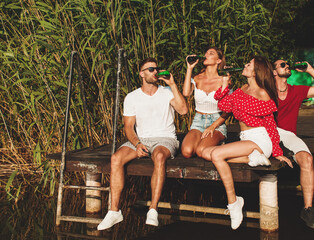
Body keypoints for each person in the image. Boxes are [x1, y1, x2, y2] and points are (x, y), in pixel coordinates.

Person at [202, 56, 293, 230]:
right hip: (246, 140)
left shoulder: (263, 93)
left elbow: (271, 125)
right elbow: (224, 106)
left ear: (256, 71)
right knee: (206, 153)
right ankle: (251, 158)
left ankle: (234, 202)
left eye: (249, 64)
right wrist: (224, 85)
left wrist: (277, 152)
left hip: (260, 140)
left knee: (216, 154)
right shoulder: (241, 89)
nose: (244, 65)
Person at [97, 58, 188, 230]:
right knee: (116, 158)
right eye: (151, 69)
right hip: (142, 139)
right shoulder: (132, 97)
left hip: (165, 138)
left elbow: (183, 110)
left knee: (159, 156)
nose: (155, 72)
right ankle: (114, 211)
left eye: (156, 69)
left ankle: (153, 209)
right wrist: (137, 143)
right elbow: (129, 127)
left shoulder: (167, 91)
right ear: (142, 74)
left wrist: (173, 84)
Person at [273, 60, 314, 229]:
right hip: (268, 133)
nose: (286, 65)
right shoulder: (267, 90)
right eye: (282, 64)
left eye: (287, 64)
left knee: (307, 158)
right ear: (274, 72)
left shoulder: (296, 91)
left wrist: (310, 70)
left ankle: (307, 209)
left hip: (289, 135)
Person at [181, 47, 229, 159]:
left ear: (219, 61)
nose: (206, 55)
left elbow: (227, 110)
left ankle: (220, 145)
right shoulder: (197, 78)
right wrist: (189, 69)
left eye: (211, 53)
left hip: (217, 121)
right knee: (186, 152)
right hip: (198, 120)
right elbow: (186, 93)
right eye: (206, 52)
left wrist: (213, 126)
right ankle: (206, 141)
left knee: (201, 150)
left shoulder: (224, 79)